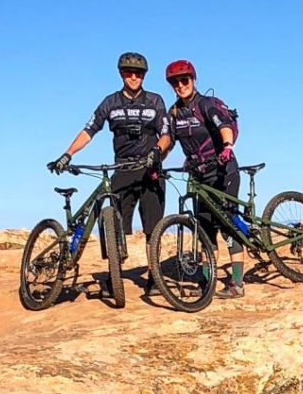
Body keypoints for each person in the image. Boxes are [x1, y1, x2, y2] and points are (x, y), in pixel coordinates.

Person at [49, 52, 173, 274]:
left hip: (149, 168)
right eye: (128, 73)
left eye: (138, 73)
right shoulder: (110, 102)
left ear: (144, 76)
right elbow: (89, 130)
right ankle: (114, 273)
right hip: (122, 168)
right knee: (114, 226)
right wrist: (67, 155)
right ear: (121, 74)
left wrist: (157, 151)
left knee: (152, 230)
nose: (133, 77)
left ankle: (155, 278)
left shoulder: (155, 101)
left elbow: (166, 133)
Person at [162, 59, 244, 293]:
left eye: (184, 80)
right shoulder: (175, 112)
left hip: (222, 170)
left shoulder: (206, 104)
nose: (180, 85)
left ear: (193, 79)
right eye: (175, 82)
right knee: (204, 230)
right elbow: (169, 142)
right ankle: (207, 283)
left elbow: (224, 125)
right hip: (198, 178)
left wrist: (227, 146)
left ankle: (237, 282)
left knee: (227, 225)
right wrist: (156, 161)